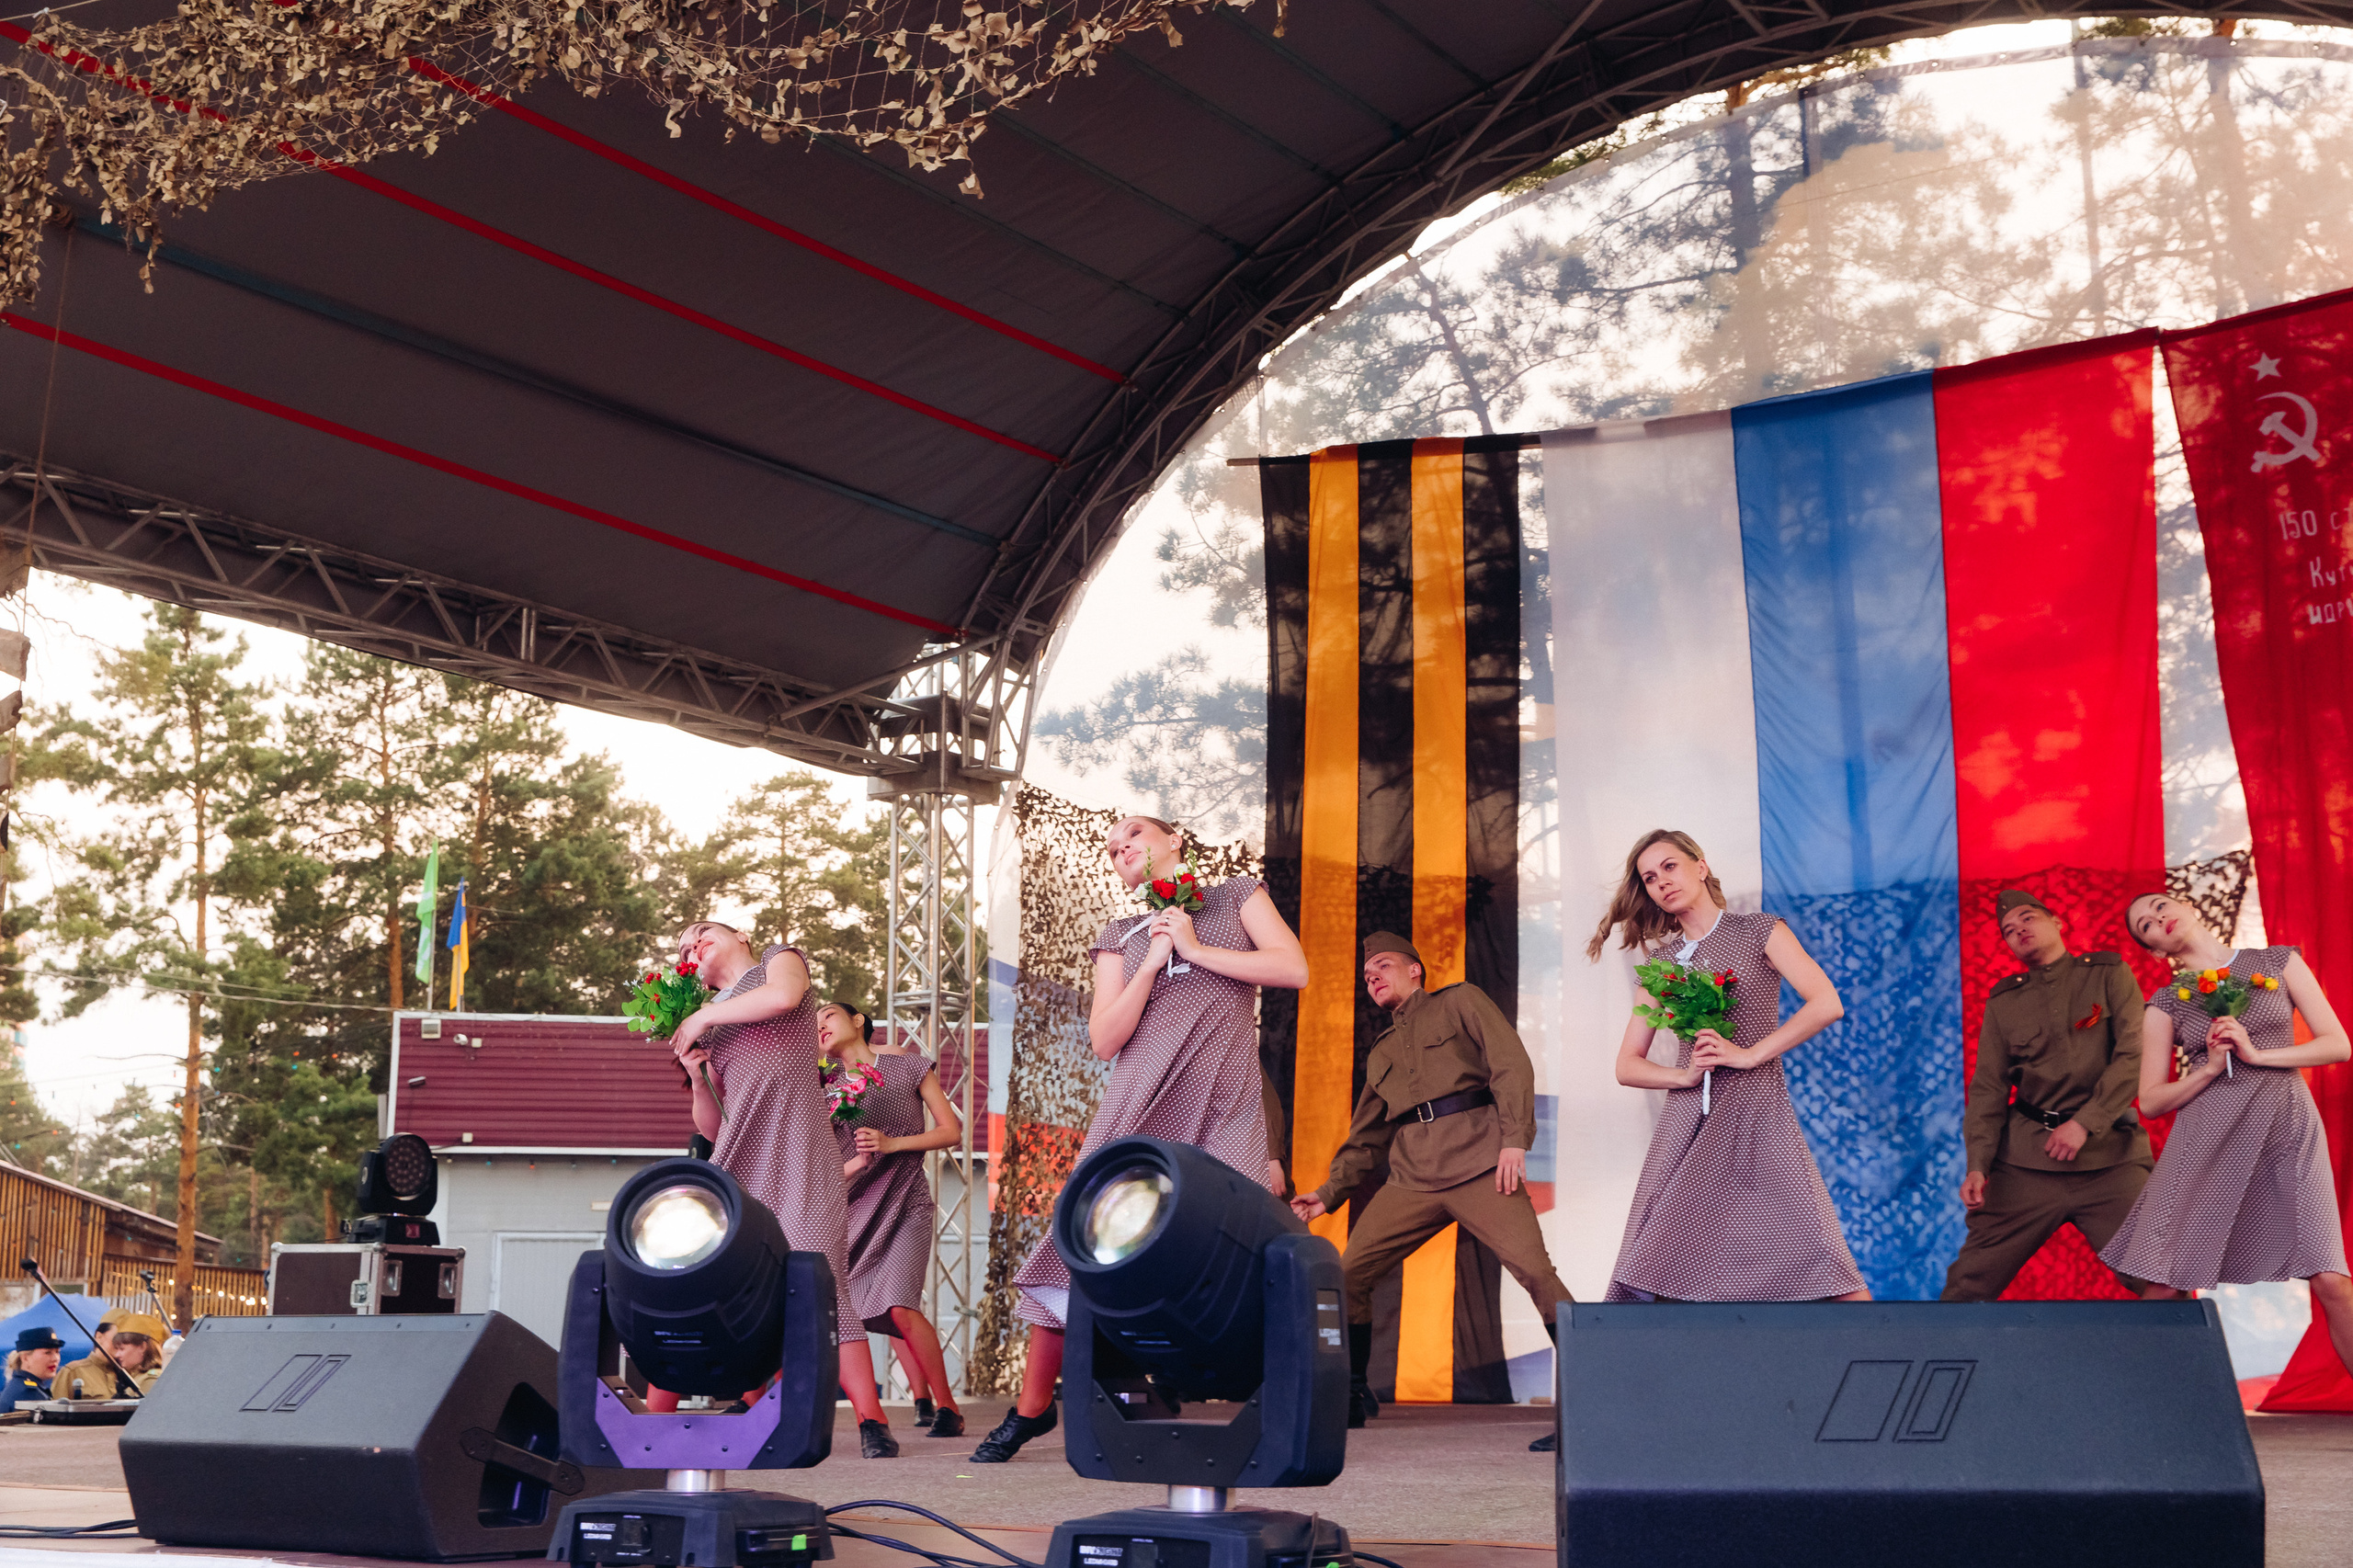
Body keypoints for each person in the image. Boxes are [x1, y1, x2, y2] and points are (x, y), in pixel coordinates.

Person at [972, 813, 1308, 1464]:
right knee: (1076, 1246)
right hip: (1139, 1107)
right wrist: (1153, 962)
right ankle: (1030, 1410)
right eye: (1113, 847)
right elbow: (1104, 1040)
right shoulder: (1120, 934)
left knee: (1249, 1249)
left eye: (1133, 834)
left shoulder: (1236, 896)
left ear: (1174, 840)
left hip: (1225, 1107)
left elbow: (1292, 969)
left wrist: (1196, 947)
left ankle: (1276, 1404)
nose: (1121, 847)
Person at [1290, 932, 1573, 1449]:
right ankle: (1353, 1392)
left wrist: (1514, 1140)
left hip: (1482, 1163)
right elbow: (1365, 1137)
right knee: (1349, 1274)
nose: (1372, 975)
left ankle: (1589, 1409)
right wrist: (1327, 1194)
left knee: (1536, 1272)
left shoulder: (1460, 1001)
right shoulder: (1381, 1052)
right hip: (1412, 1177)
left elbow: (1512, 1062)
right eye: (1367, 972)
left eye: (1383, 965)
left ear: (1415, 969)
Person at [1592, 829, 1868, 1303]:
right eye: (1650, 877)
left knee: (1824, 1263)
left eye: (1671, 867)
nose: (1662, 882)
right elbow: (1627, 1065)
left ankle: (1872, 1367)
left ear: (1700, 865)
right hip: (1687, 1126)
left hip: (1759, 1110)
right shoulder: (1661, 964)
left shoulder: (1760, 930)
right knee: (1664, 1270)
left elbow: (1827, 1003)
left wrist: (1749, 1054)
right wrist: (1683, 1076)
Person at [667, 920, 900, 1458]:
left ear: (741, 937)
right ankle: (751, 1401)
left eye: (703, 931)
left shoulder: (779, 960)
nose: (692, 941)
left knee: (824, 1281)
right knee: (741, 1285)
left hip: (803, 1151)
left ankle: (871, 1420)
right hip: (742, 1158)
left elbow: (784, 996)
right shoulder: (711, 1026)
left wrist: (702, 1013)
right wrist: (696, 1073)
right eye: (683, 946)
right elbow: (711, 1127)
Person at [2102, 893, 2353, 1374]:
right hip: (2208, 1136)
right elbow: (2151, 1102)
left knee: (2329, 1277)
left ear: (2188, 906)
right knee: (2164, 1281)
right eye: (2145, 925)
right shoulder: (2164, 1003)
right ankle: (2127, 1413)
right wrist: (2210, 1068)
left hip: (2287, 1126)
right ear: (2153, 950)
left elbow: (2337, 1045)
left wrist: (2258, 1055)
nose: (2156, 919)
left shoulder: (2278, 961)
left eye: (2159, 907)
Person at [1940, 890, 2153, 1301]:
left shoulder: (2107, 973)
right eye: (2009, 930)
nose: (2019, 929)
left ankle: (2178, 1365)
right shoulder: (2004, 1002)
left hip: (2112, 1160)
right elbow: (1988, 1088)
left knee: (2159, 1277)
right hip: (2025, 1164)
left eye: (2028, 918)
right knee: (1967, 1286)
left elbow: (2134, 1053)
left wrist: (2084, 1123)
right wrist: (1978, 1165)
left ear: (2058, 922)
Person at [821, 998, 968, 1439]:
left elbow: (951, 1131)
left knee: (901, 1307)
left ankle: (946, 1406)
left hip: (906, 1202)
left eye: (827, 1015)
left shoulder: (907, 1067)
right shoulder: (819, 1087)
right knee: (851, 1312)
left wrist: (891, 1144)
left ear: (858, 1021)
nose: (820, 1026)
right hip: (849, 1208)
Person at [54, 1311, 167, 1399]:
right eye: (116, 1342)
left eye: (122, 1346)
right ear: (99, 1337)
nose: (118, 1353)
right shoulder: (73, 1371)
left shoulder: (138, 1377)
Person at [1, 1326, 63, 1412]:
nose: (55, 1358)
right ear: (25, 1358)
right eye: (47, 1352)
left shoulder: (19, 1386)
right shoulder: (28, 1394)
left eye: (57, 1352)